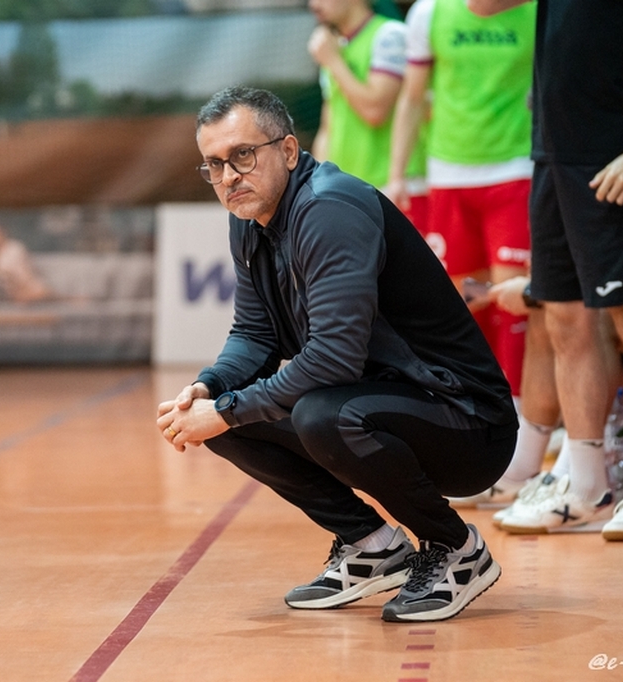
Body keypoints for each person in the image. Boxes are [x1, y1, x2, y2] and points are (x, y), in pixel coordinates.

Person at [156, 86, 518, 622]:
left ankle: (457, 549)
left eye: (242, 155)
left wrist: (228, 408)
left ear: (288, 151)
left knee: (319, 414)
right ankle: (371, 546)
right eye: (214, 164)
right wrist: (210, 389)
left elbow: (333, 359)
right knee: (228, 418)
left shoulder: (329, 209)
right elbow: (254, 334)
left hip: (467, 421)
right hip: (386, 403)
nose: (229, 176)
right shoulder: (250, 220)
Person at [470, 0, 623, 541]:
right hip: (552, 155)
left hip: (617, 155)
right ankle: (586, 484)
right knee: (563, 317)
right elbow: (481, 6)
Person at [385, 0, 535, 404]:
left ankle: (518, 412)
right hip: (449, 176)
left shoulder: (537, 9)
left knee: (511, 298)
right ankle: (476, 402)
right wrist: (397, 175)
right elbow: (412, 98)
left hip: (515, 169)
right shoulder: (430, 12)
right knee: (466, 300)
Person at [307, 0, 429, 222]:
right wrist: (317, 188)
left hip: (396, 189)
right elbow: (327, 128)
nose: (313, 4)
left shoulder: (390, 35)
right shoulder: (333, 47)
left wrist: (334, 62)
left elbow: (375, 111)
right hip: (348, 191)